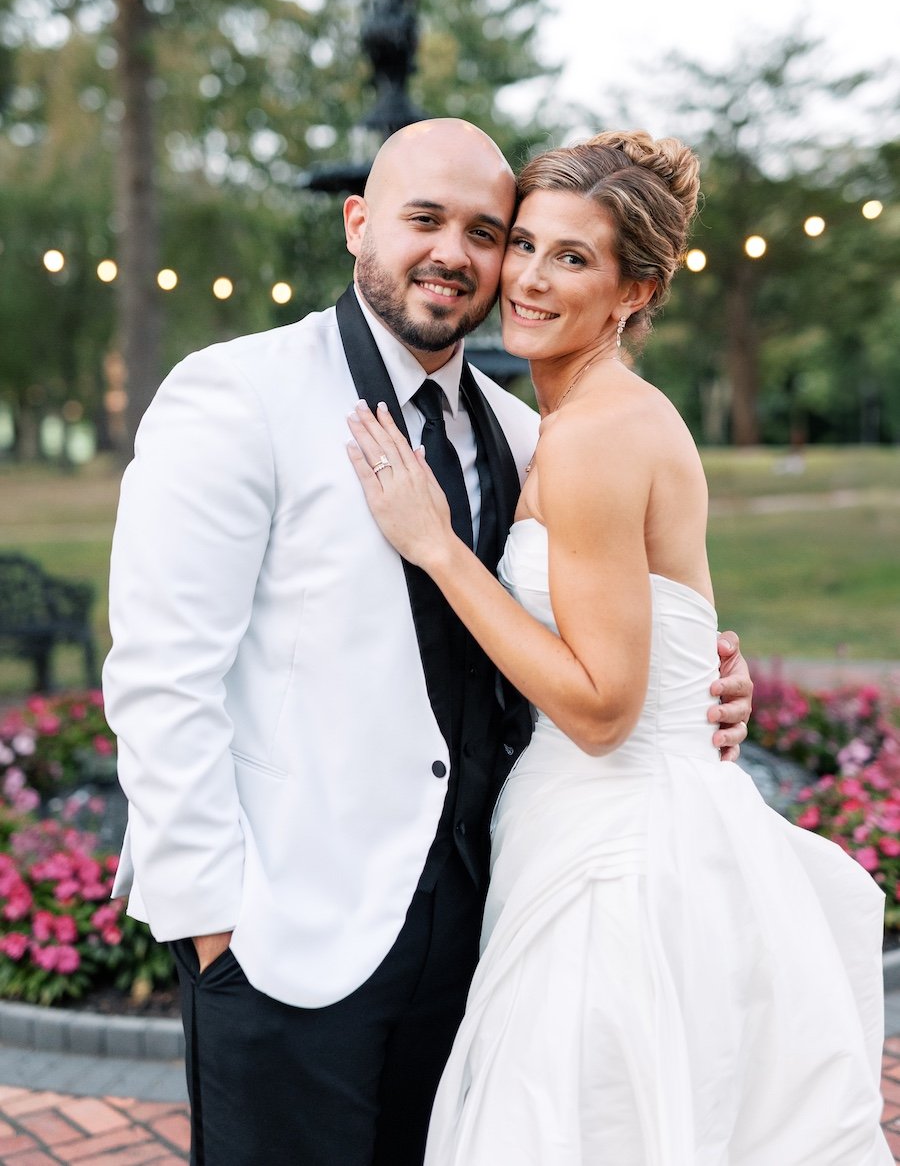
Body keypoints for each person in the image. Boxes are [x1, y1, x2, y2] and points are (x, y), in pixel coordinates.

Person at [102, 118, 752, 1166]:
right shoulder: (239, 394)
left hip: (479, 929)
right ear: (360, 222)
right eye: (424, 220)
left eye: (486, 231)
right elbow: (159, 678)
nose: (455, 251)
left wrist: (709, 671)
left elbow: (606, 616)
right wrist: (213, 932)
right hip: (288, 943)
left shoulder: (528, 428)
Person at [347, 129, 891, 1165]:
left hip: (617, 862)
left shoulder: (597, 435)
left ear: (637, 290)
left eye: (574, 258)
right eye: (528, 244)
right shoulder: (585, 419)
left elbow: (602, 710)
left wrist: (438, 549)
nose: (530, 279)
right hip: (633, 822)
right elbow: (660, 633)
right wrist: (714, 675)